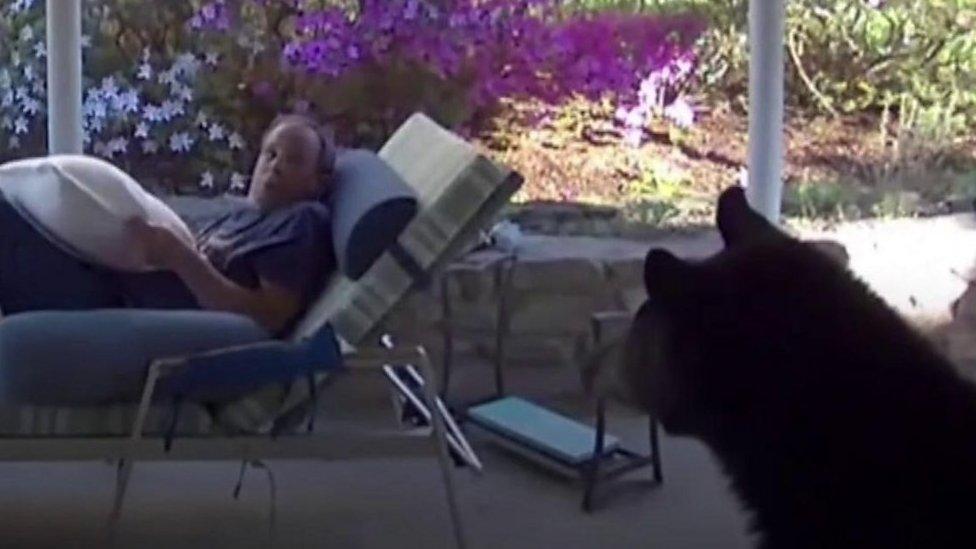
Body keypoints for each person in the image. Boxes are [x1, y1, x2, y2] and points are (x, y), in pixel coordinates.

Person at [0, 113, 339, 335]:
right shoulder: (240, 214)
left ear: (316, 182)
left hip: (120, 313)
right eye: (270, 154)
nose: (274, 167)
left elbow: (266, 319)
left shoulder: (302, 221)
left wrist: (177, 254)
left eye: (293, 161)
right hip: (107, 280)